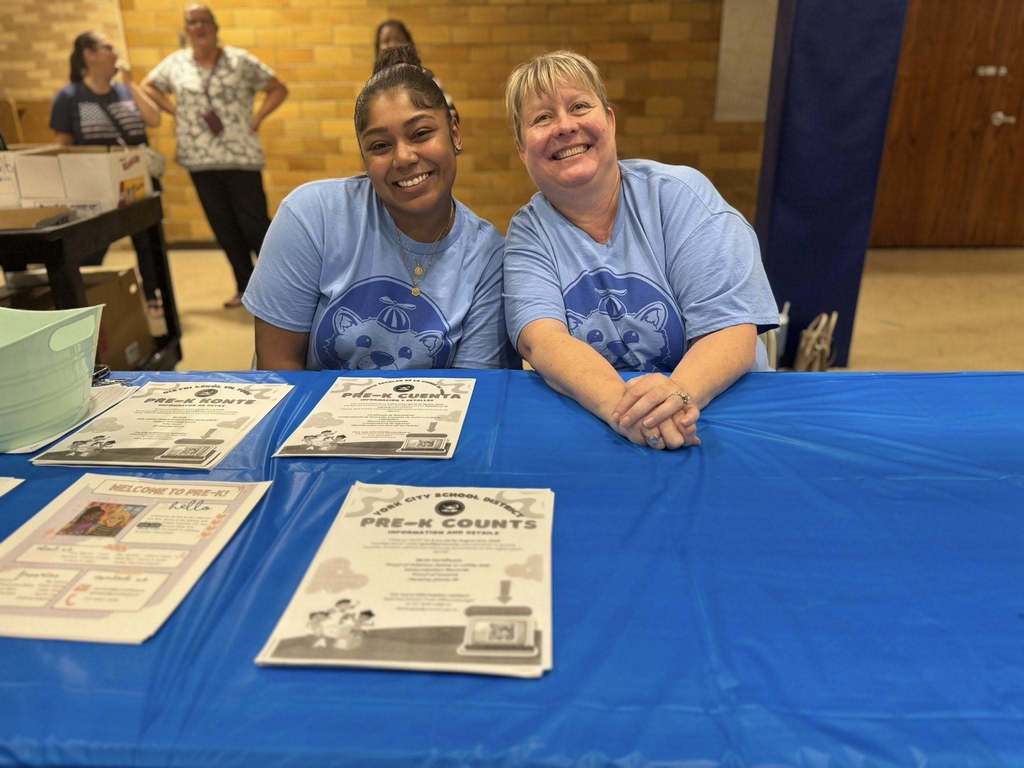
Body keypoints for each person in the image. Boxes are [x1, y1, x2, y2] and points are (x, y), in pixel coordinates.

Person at [503, 51, 778, 451]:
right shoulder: (528, 233)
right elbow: (543, 341)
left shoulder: (682, 196)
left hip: (719, 413)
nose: (565, 126)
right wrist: (629, 413)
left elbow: (731, 329)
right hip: (611, 422)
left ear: (610, 121)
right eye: (542, 118)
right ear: (521, 149)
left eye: (579, 106)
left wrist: (676, 397)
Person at [242, 47, 509, 371]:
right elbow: (278, 365)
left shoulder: (487, 255)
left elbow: (474, 387)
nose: (404, 158)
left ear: (454, 133)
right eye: (380, 146)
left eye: (421, 134)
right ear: (364, 158)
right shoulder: (311, 215)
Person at [142, 4, 288, 309]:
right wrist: (175, 111)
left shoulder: (239, 60)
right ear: (186, 29)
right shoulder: (176, 63)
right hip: (199, 159)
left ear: (215, 26)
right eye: (191, 22)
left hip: (241, 157)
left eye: (203, 21)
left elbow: (278, 88)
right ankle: (245, 287)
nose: (198, 27)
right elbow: (149, 86)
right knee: (224, 227)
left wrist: (257, 118)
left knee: (254, 225)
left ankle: (283, 286)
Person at [50, 30, 165, 313]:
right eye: (108, 48)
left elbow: (154, 118)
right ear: (89, 55)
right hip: (95, 186)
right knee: (93, 245)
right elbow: (62, 146)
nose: (115, 54)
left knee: (148, 244)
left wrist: (131, 83)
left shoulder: (125, 91)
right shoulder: (70, 97)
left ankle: (154, 297)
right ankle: (87, 301)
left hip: (137, 181)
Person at [373, 20, 459, 126]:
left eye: (398, 39)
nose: (392, 45)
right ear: (378, 48)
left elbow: (452, 114)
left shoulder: (427, 78)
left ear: (409, 43)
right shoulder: (373, 85)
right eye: (386, 41)